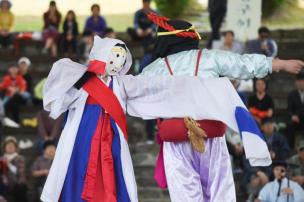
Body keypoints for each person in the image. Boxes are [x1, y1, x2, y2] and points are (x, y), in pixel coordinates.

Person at [40, 36, 271, 202]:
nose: (118, 62)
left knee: (113, 180)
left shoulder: (123, 83)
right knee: (76, 173)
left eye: (122, 58)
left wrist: (197, 85)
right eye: (114, 56)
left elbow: (155, 86)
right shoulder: (82, 81)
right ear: (102, 55)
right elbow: (55, 97)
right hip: (83, 138)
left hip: (110, 141)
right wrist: (84, 75)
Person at [141, 12, 304, 201]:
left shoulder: (153, 70)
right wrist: (279, 64)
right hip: (210, 139)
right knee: (220, 194)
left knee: (186, 197)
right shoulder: (209, 58)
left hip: (177, 143)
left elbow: (130, 91)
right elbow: (243, 63)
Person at [2, 136, 28, 202]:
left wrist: (8, 164)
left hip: (17, 183)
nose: (10, 147)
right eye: (8, 145)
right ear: (4, 148)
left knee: (21, 187)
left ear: (15, 148)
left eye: (12, 145)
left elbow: (20, 172)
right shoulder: (1, 159)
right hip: (4, 183)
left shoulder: (20, 158)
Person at [286, 73, 304, 148]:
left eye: (302, 81)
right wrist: (292, 116)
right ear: (296, 83)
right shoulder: (291, 94)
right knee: (290, 126)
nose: (300, 83)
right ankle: (290, 149)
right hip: (296, 119)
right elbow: (289, 109)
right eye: (298, 81)